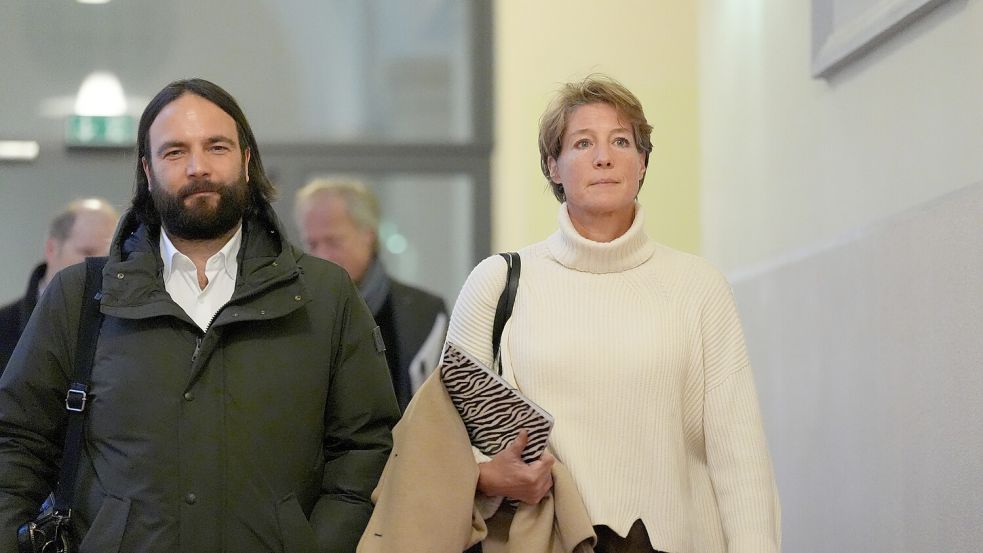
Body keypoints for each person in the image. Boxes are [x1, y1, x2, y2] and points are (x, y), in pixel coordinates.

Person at [0, 78, 399, 552]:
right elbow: (17, 444)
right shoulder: (81, 295)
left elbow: (365, 449)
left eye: (216, 147)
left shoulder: (324, 294)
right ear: (148, 171)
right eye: (174, 152)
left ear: (246, 161)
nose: (198, 167)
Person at [448, 76, 781, 552]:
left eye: (621, 141)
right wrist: (486, 476)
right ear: (553, 167)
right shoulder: (497, 283)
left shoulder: (698, 286)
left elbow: (739, 456)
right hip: (542, 541)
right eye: (583, 143)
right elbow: (445, 441)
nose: (603, 157)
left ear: (642, 163)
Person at [294, 180, 447, 412]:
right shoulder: (296, 313)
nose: (322, 256)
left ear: (369, 235)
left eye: (334, 242)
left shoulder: (425, 313)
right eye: (312, 244)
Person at [0, 198, 118, 375]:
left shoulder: (123, 330)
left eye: (110, 256)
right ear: (51, 249)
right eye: (88, 253)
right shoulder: (4, 326)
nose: (103, 266)